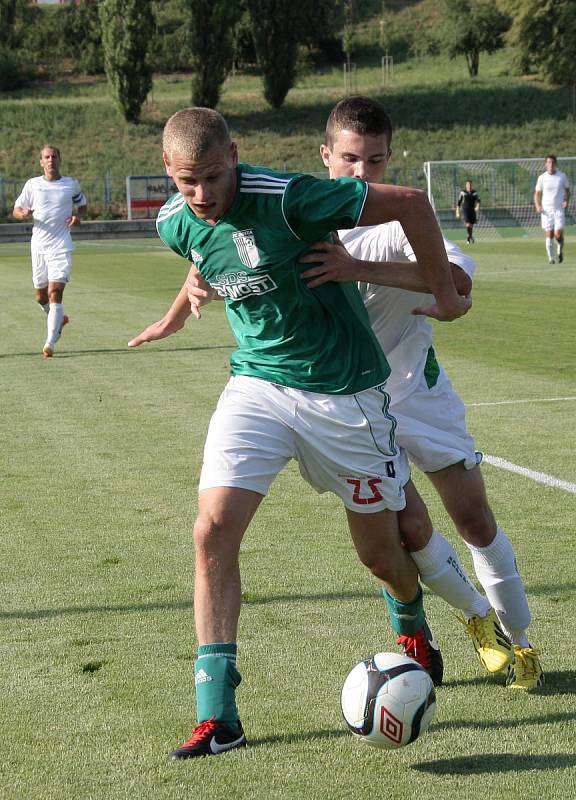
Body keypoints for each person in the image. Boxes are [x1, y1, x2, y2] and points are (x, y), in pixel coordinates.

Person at [128, 107, 470, 759]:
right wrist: (182, 306)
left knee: (379, 556)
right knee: (211, 531)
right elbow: (207, 253)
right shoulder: (176, 223)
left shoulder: (291, 197)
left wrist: (446, 297)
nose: (200, 196)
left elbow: (411, 205)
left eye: (211, 176)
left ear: (236, 153)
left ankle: (411, 621)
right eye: (183, 182)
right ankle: (218, 716)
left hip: (346, 393)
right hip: (256, 386)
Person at [299, 95, 543, 691]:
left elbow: (454, 281)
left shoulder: (407, 217)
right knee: (402, 531)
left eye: (376, 162)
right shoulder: (298, 217)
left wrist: (356, 267)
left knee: (474, 519)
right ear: (326, 155)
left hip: (417, 392)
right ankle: (456, 629)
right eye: (350, 160)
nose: (362, 175)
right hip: (353, 407)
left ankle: (523, 645)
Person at [13, 145, 86, 358]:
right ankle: (58, 318)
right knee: (40, 296)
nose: (51, 160)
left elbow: (82, 205)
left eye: (54, 156)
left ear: (59, 160)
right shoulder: (32, 185)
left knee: (56, 293)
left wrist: (78, 218)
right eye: (47, 157)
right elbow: (16, 210)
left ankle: (50, 342)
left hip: (61, 246)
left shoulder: (70, 184)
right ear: (41, 162)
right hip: (38, 247)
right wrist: (23, 213)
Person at [534, 154, 570, 264]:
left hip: (558, 209)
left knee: (558, 234)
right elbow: (537, 193)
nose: (551, 164)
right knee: (549, 234)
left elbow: (568, 190)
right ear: (546, 164)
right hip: (546, 210)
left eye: (552, 162)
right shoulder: (542, 177)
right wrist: (538, 205)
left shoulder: (562, 176)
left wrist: (566, 201)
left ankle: (560, 246)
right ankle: (551, 258)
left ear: (555, 164)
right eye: (548, 162)